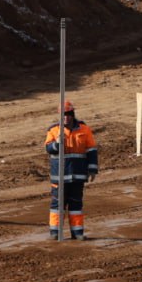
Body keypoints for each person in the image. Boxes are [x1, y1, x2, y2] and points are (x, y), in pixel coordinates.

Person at [44, 100, 98, 240]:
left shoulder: (84, 129)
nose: (66, 117)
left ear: (73, 114)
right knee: (57, 205)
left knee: (76, 205)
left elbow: (91, 150)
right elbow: (48, 149)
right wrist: (57, 143)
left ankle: (77, 232)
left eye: (68, 114)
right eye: (63, 115)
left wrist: (92, 169)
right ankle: (55, 232)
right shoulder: (53, 130)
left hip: (78, 175)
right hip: (59, 176)